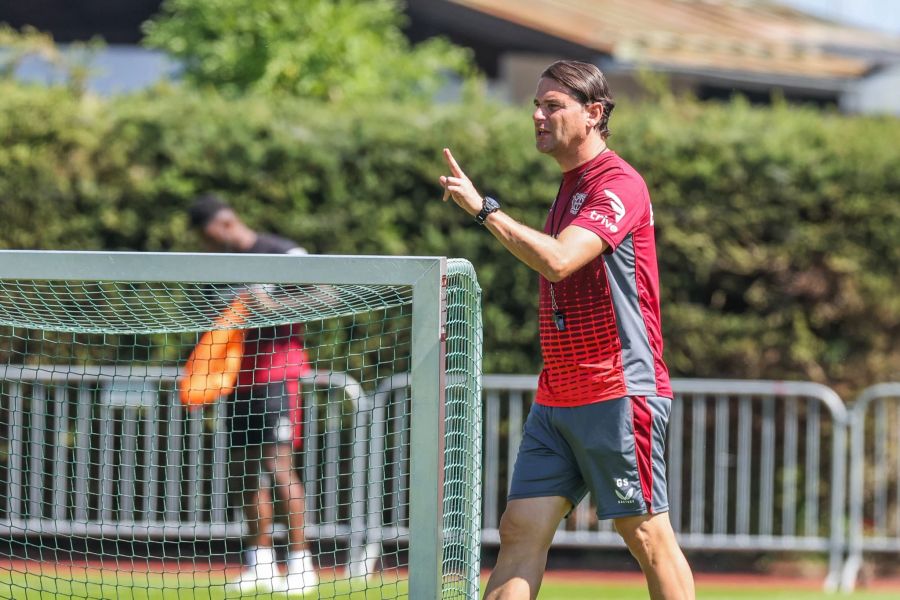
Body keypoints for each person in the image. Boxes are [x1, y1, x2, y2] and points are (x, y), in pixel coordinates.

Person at [438, 60, 695, 600]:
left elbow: (558, 261)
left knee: (647, 535)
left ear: (593, 113)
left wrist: (485, 210)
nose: (537, 115)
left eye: (553, 105)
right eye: (536, 104)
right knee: (519, 530)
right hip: (558, 395)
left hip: (618, 389)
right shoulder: (569, 186)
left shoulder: (619, 183)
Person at [188, 194, 318, 595]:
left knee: (279, 467)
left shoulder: (281, 252)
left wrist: (271, 306)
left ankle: (301, 563)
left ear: (225, 224)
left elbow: (326, 295)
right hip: (236, 381)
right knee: (244, 472)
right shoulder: (218, 269)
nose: (208, 247)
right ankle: (260, 562)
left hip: (278, 374)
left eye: (208, 237)